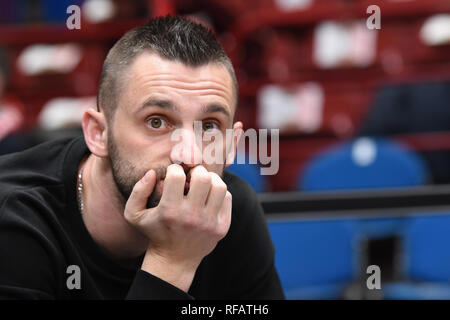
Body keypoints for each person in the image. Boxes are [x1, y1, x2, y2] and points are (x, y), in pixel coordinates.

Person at [0, 15, 285, 300]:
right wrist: (172, 263)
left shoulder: (231, 211)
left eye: (209, 126)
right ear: (99, 133)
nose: (187, 154)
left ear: (232, 145)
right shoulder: (15, 218)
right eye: (157, 121)